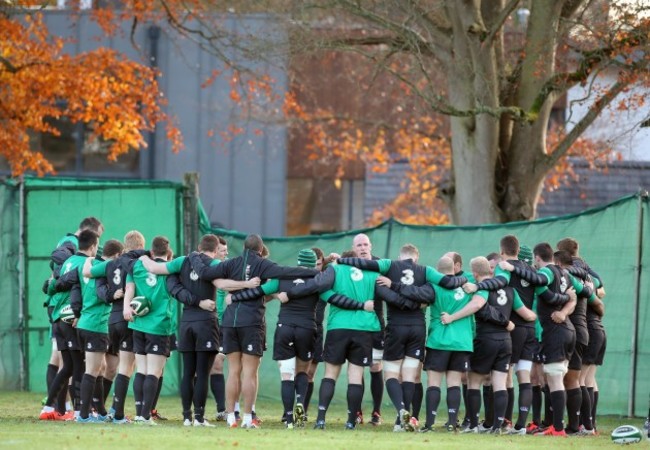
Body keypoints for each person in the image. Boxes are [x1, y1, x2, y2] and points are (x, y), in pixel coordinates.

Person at [187, 234, 318, 429]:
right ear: (260, 249)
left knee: (233, 371)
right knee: (250, 372)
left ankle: (231, 416)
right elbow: (286, 271)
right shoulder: (264, 265)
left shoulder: (230, 264)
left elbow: (206, 273)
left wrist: (193, 256)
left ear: (244, 248)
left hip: (230, 321)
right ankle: (248, 419)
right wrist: (317, 272)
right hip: (252, 322)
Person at [337, 244, 468, 431]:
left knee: (390, 374)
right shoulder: (426, 271)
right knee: (409, 375)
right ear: (417, 257)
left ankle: (401, 412)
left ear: (401, 256)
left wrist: (341, 260)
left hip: (396, 327)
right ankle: (403, 420)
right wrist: (463, 279)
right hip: (417, 328)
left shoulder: (389, 265)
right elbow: (442, 286)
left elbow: (365, 266)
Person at [442, 256, 536, 434]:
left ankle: (474, 425)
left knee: (473, 382)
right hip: (506, 341)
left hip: (485, 339)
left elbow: (477, 305)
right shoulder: (510, 290)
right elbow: (527, 314)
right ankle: (497, 426)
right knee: (499, 382)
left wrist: (452, 317)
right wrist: (534, 316)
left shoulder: (482, 289)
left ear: (475, 273)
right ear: (490, 271)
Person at [229, 248, 321, 429]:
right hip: (307, 328)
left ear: (298, 262)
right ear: (313, 264)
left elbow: (259, 291)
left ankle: (288, 417)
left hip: (285, 328)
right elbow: (331, 296)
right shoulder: (318, 280)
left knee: (286, 374)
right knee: (302, 372)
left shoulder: (282, 278)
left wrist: (236, 297)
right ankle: (300, 404)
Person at [39, 229, 102, 421]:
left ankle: (48, 408)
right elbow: (80, 291)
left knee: (67, 366)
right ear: (92, 246)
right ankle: (79, 411)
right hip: (70, 319)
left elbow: (51, 285)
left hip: (57, 318)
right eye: (97, 246)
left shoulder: (67, 262)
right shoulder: (86, 264)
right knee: (78, 367)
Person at [123, 236, 176, 425]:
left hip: (138, 324)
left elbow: (129, 288)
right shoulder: (171, 269)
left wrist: (126, 307)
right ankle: (145, 416)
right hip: (159, 325)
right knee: (154, 371)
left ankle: (139, 413)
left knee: (142, 370)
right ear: (168, 252)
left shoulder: (136, 266)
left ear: (151, 251)